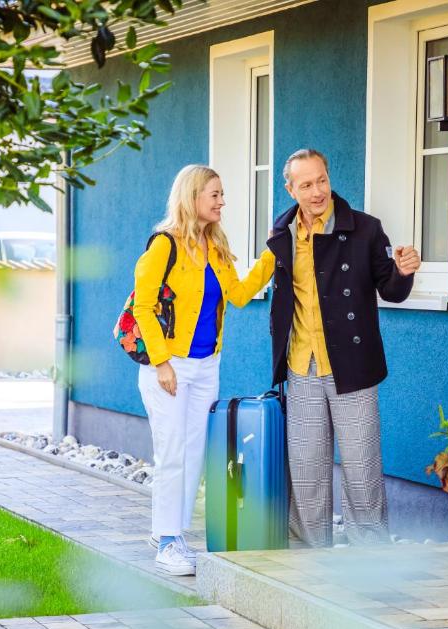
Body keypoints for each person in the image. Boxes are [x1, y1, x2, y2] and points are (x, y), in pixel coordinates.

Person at [264, 149, 421, 547]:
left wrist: (403, 272)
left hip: (351, 365)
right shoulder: (281, 235)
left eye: (321, 180)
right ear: (291, 189)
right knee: (306, 469)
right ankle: (308, 555)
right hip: (301, 365)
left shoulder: (365, 229)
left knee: (361, 469)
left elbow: (390, 287)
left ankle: (369, 560)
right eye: (306, 185)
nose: (317, 191)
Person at [132, 164, 273, 576]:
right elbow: (143, 306)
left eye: (222, 194)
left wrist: (271, 257)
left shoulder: (215, 245)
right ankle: (168, 542)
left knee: (194, 453)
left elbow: (240, 295)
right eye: (215, 194)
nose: (222, 201)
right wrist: (160, 362)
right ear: (193, 197)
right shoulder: (164, 244)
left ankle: (171, 533)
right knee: (172, 451)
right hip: (169, 365)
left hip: (206, 365)